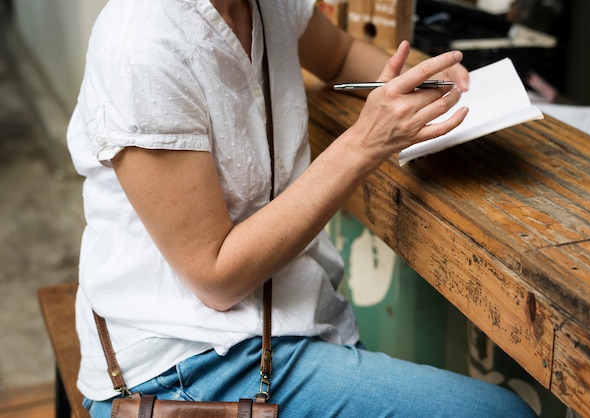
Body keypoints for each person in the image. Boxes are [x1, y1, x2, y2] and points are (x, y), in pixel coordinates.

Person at [67, 0, 537, 416]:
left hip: (273, 327)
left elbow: (340, 55)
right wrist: (365, 143)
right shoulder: (141, 45)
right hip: (184, 366)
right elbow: (216, 276)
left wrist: (422, 81)